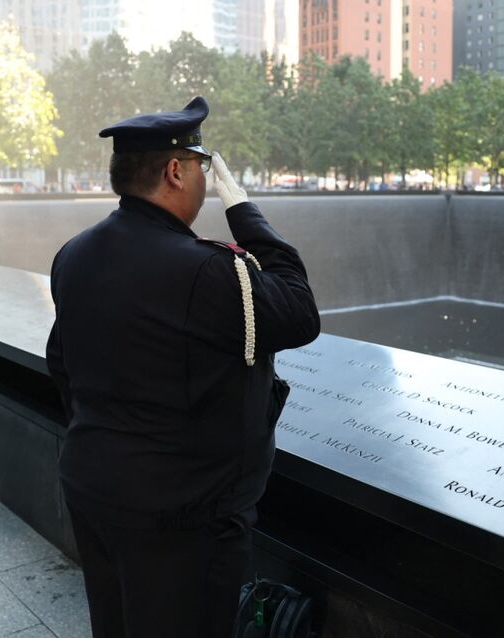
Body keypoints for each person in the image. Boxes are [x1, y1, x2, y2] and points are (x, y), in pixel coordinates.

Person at [45, 96, 320, 638]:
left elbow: (64, 366)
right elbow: (299, 313)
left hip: (92, 484)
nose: (203, 176)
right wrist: (243, 210)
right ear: (175, 171)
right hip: (183, 516)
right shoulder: (208, 271)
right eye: (201, 165)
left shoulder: (73, 253)